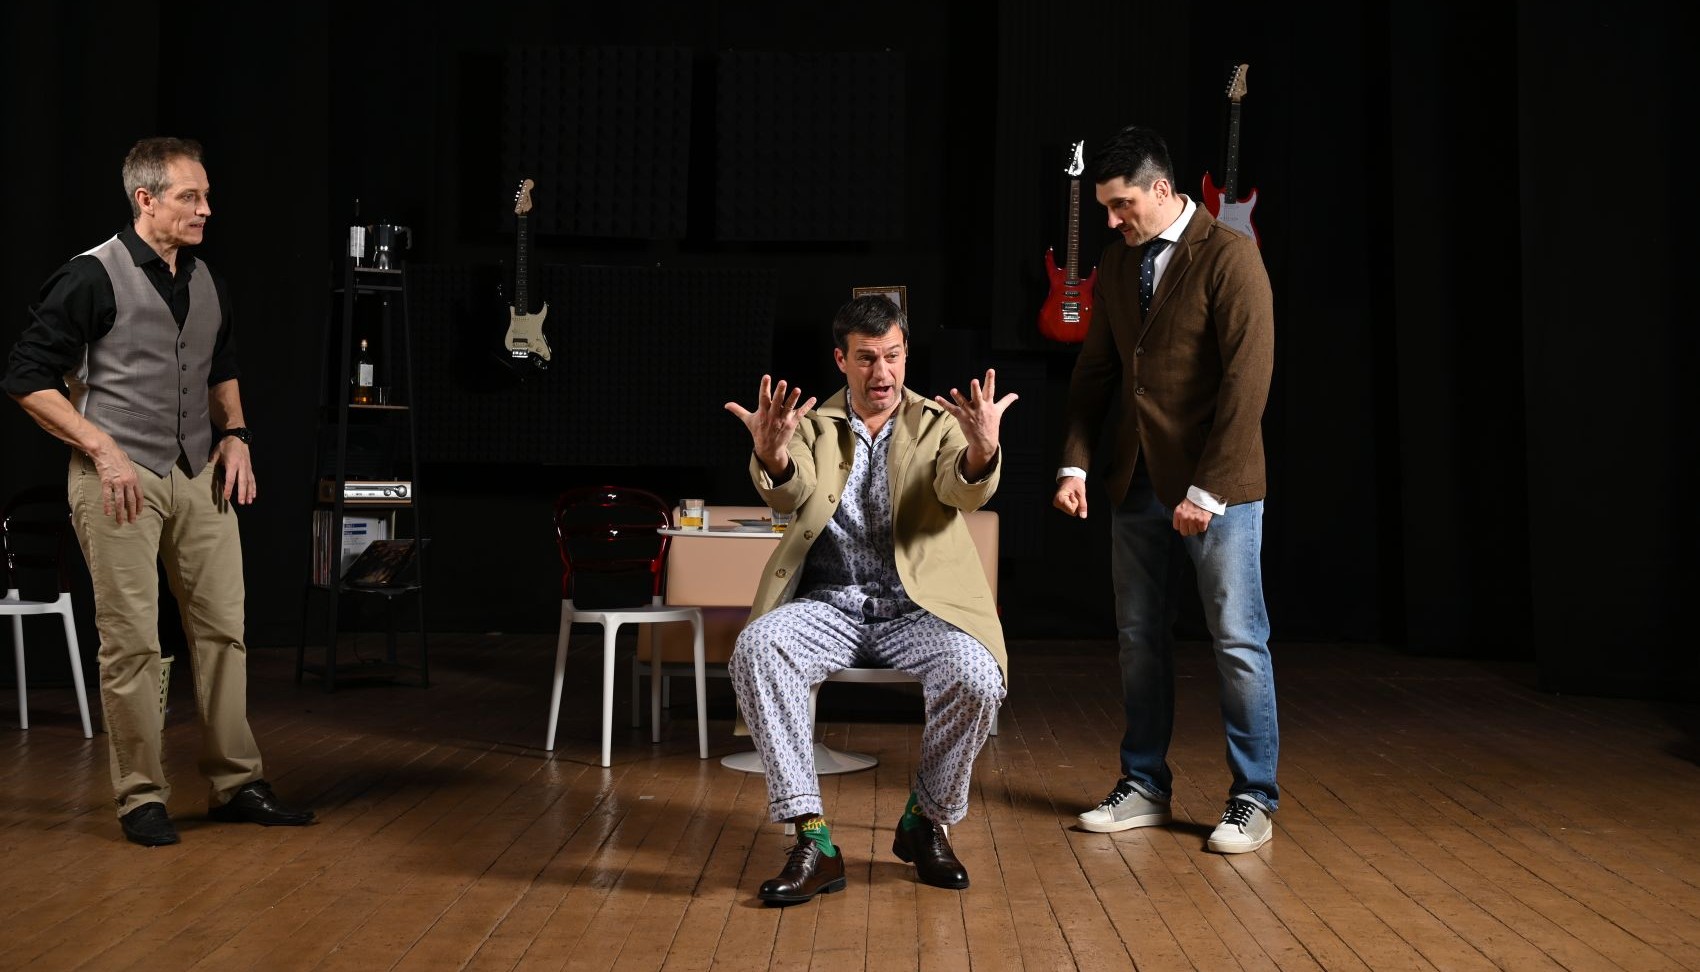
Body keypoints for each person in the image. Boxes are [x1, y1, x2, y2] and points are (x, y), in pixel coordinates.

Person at [3, 137, 314, 846]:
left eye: (206, 196)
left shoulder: (208, 280)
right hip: (117, 476)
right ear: (145, 200)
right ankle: (141, 795)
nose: (206, 209)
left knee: (224, 631)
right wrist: (101, 447)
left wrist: (237, 434)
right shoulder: (89, 276)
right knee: (132, 642)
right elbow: (27, 378)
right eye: (190, 197)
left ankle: (237, 782)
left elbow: (219, 365)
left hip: (199, 471)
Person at [723, 295, 1015, 903]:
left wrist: (983, 449)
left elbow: (960, 489)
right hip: (831, 606)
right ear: (841, 360)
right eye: (866, 358)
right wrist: (772, 454)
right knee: (759, 646)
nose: (882, 372)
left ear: (906, 354)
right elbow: (790, 491)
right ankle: (813, 840)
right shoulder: (810, 424)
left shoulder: (938, 422)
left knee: (978, 674)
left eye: (893, 356)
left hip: (917, 610)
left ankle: (925, 821)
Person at [1053, 125, 1278, 853]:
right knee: (1139, 639)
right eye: (1105, 207)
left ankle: (1253, 797)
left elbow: (1248, 383)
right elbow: (1096, 373)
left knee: (1237, 641)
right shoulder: (1119, 263)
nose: (1112, 220)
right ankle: (1144, 783)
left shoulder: (1231, 256)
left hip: (1219, 488)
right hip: (1136, 483)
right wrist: (1075, 464)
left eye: (1122, 205)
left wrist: (1207, 490)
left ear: (1161, 188)